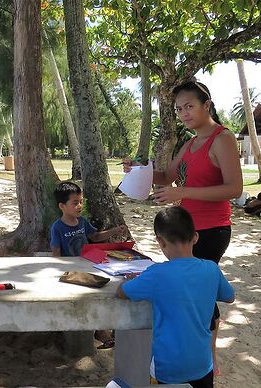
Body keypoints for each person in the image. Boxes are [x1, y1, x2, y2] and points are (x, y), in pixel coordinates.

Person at [124, 80, 242, 374]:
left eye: (189, 106)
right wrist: (140, 169)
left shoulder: (222, 138)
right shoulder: (190, 143)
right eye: (179, 109)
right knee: (191, 287)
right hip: (187, 228)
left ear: (207, 106)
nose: (184, 113)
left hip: (212, 229)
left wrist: (183, 193)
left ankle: (207, 360)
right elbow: (165, 177)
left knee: (198, 288)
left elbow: (234, 188)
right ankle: (201, 358)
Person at [117, 206, 235, 387]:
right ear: (195, 237)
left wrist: (128, 281)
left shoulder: (156, 274)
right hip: (202, 363)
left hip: (169, 367)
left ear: (161, 241)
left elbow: (122, 293)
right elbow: (229, 296)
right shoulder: (211, 269)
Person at [50, 181, 127, 257]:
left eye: (81, 202)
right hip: (70, 266)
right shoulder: (57, 227)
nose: (80, 206)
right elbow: (56, 250)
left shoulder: (82, 221)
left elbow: (96, 237)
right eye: (75, 203)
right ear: (62, 206)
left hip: (86, 262)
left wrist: (115, 230)